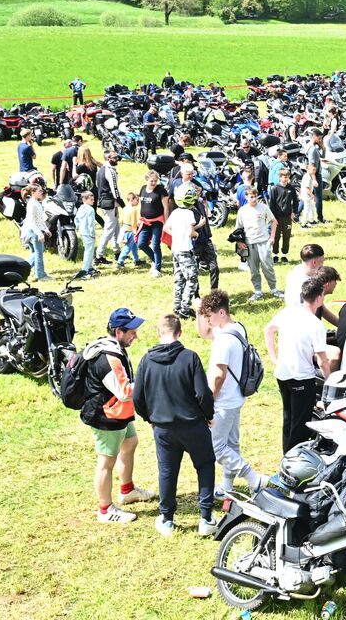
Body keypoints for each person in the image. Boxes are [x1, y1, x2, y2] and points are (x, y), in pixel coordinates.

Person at [132, 314, 217, 537]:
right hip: (193, 425)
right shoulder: (190, 358)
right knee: (205, 466)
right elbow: (203, 393)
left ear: (158, 333)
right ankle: (206, 518)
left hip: (163, 428)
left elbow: (137, 397)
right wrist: (208, 415)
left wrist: (149, 418)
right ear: (180, 333)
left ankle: (167, 519)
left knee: (167, 471)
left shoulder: (146, 360)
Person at [81, 308, 156, 523]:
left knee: (130, 442)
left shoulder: (114, 347)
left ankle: (127, 490)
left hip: (118, 411)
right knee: (106, 462)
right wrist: (149, 383)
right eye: (132, 331)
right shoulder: (109, 357)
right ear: (118, 332)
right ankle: (105, 510)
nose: (135, 335)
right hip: (106, 415)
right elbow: (124, 392)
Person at [196, 290, 266, 499]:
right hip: (236, 397)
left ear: (221, 313)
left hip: (223, 401)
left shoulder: (223, 341)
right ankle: (227, 487)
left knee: (216, 448)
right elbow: (204, 333)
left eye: (209, 316)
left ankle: (253, 478)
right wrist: (199, 311)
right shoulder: (237, 328)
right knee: (231, 444)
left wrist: (208, 400)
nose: (208, 321)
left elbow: (219, 376)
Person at [265, 277, 337, 453]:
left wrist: (274, 358)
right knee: (301, 422)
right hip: (301, 377)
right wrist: (330, 382)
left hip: (282, 374)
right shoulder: (315, 325)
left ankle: (287, 453)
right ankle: (294, 457)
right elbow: (322, 360)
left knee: (288, 416)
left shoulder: (288, 312)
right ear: (319, 298)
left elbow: (268, 330)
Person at [235, 187, 282, 301]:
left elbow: (274, 221)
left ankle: (274, 289)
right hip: (250, 243)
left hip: (263, 242)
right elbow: (238, 228)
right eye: (251, 197)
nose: (254, 199)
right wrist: (239, 242)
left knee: (268, 267)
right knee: (254, 269)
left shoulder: (263, 207)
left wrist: (272, 237)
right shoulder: (242, 211)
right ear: (246, 197)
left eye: (255, 196)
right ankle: (258, 291)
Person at [165, 186, 202, 317]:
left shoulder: (175, 212)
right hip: (185, 250)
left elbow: (166, 228)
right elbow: (191, 232)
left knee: (179, 278)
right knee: (192, 278)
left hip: (175, 249)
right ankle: (185, 309)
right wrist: (197, 233)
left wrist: (177, 235)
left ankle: (177, 306)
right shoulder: (189, 214)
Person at [137, 170, 168, 278]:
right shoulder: (142, 189)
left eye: (156, 180)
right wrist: (139, 218)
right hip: (145, 222)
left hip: (157, 222)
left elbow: (166, 207)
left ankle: (157, 269)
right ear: (147, 180)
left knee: (155, 245)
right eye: (152, 181)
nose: (154, 183)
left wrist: (166, 222)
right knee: (141, 243)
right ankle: (155, 260)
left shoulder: (161, 190)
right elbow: (141, 205)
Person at [96, 150, 123, 262]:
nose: (117, 160)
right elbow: (115, 189)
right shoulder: (109, 171)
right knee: (109, 229)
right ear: (108, 158)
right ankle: (99, 254)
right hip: (109, 203)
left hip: (105, 201)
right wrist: (123, 204)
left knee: (115, 227)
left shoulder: (101, 169)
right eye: (115, 158)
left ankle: (117, 251)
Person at [21, 182, 51, 281]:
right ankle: (40, 275)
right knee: (38, 253)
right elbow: (32, 221)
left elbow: (40, 219)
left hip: (34, 230)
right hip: (33, 231)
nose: (41, 192)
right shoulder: (32, 204)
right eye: (39, 191)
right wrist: (39, 234)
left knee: (35, 253)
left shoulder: (36, 202)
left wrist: (46, 230)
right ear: (33, 192)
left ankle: (24, 270)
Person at [267, 168, 297, 265]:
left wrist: (294, 212)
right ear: (280, 177)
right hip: (277, 217)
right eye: (284, 177)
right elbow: (271, 204)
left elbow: (295, 201)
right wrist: (273, 217)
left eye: (287, 177)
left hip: (287, 217)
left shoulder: (291, 188)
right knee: (276, 236)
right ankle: (275, 255)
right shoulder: (275, 188)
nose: (285, 179)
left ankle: (284, 255)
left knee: (286, 236)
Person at [75, 190, 99, 280]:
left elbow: (76, 219)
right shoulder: (91, 210)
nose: (93, 201)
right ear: (85, 200)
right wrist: (92, 234)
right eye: (91, 199)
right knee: (89, 252)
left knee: (89, 250)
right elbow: (90, 223)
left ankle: (89, 267)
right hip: (88, 233)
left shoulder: (80, 208)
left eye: (93, 199)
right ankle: (85, 271)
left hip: (82, 232)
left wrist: (78, 227)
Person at [115, 191, 141, 268]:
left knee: (134, 246)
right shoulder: (134, 210)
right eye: (137, 200)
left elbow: (120, 220)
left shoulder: (124, 209)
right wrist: (135, 231)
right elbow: (133, 222)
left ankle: (136, 260)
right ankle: (120, 262)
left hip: (125, 229)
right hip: (131, 230)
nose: (138, 202)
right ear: (132, 200)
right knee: (128, 247)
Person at [306, 128, 326, 224]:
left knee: (308, 195)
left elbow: (322, 157)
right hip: (315, 174)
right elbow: (312, 164)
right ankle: (320, 218)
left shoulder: (314, 147)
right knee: (318, 197)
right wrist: (314, 179)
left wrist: (323, 148)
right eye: (319, 138)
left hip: (314, 173)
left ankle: (297, 214)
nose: (320, 140)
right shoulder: (312, 149)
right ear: (314, 137)